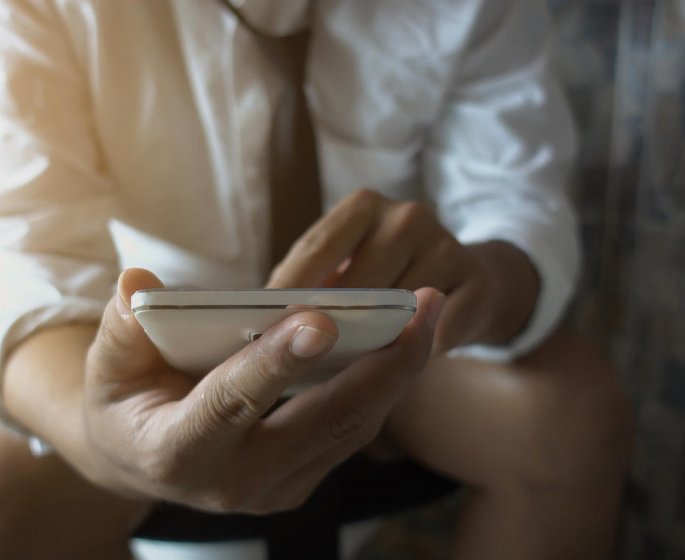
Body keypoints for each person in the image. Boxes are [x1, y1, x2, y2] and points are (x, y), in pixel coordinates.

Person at [0, 1, 632, 559]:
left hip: (397, 343)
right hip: (144, 354)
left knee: (572, 417)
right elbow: (25, 257)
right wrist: (105, 441)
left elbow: (515, 201)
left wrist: (481, 280)